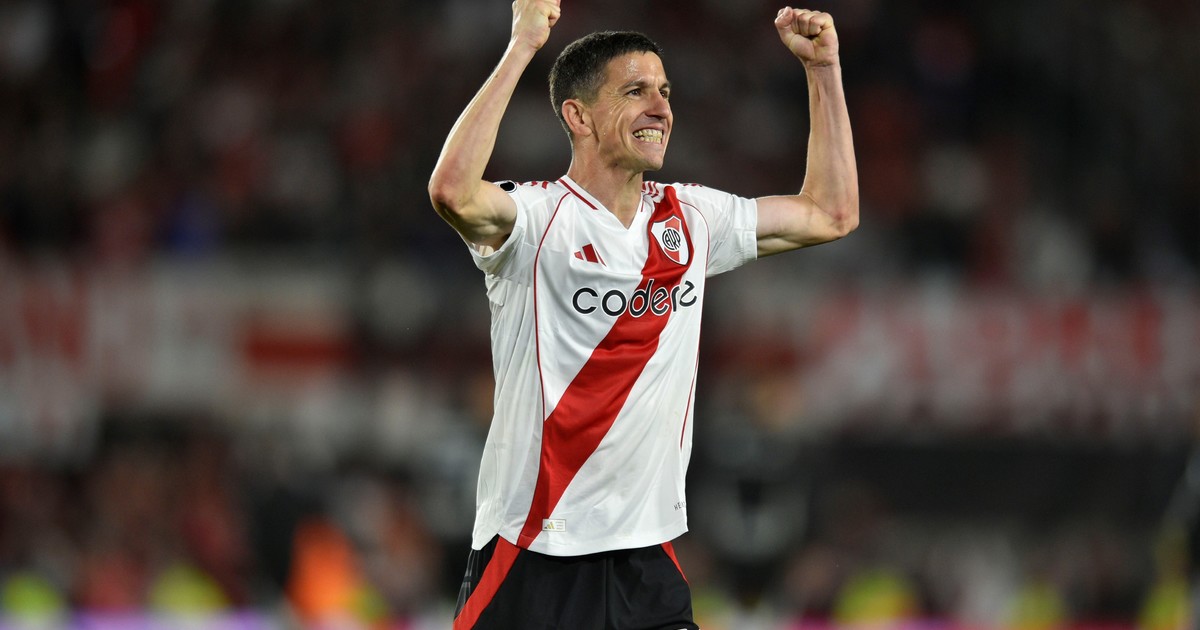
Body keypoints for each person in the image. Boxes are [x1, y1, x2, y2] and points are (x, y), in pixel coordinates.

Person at [428, 1, 858, 627]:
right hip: (532, 551)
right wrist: (522, 47)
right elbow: (451, 191)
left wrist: (824, 71)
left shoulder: (692, 217)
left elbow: (831, 213)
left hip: (645, 559)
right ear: (578, 116)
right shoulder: (538, 220)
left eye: (665, 91)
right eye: (636, 91)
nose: (661, 107)